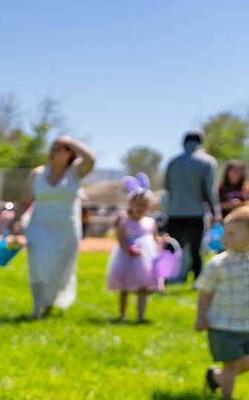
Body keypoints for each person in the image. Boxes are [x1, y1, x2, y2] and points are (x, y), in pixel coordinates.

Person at [11, 135, 95, 318]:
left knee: (60, 269)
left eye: (58, 150)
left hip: (67, 230)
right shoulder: (37, 173)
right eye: (52, 148)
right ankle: (37, 307)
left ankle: (49, 305)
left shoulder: (76, 171)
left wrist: (70, 141)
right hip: (39, 227)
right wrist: (15, 220)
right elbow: (25, 200)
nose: (52, 153)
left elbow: (91, 159)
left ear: (69, 154)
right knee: (39, 266)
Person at [196, 206, 249, 400]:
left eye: (232, 234)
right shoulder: (218, 264)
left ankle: (216, 378)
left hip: (247, 323)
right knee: (232, 364)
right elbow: (205, 291)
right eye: (225, 232)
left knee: (236, 364)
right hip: (223, 324)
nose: (224, 238)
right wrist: (201, 316)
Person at [106, 174, 165, 323]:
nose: (140, 208)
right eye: (137, 204)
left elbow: (154, 239)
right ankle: (122, 315)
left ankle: (140, 316)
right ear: (130, 204)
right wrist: (129, 249)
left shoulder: (150, 222)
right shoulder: (124, 221)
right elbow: (120, 240)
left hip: (145, 260)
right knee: (124, 288)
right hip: (127, 258)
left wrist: (162, 241)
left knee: (143, 288)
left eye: (144, 205)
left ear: (149, 206)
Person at [164, 130, 220, 284]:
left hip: (174, 212)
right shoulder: (207, 161)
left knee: (171, 247)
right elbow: (210, 190)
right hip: (196, 212)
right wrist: (216, 212)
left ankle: (164, 278)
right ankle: (198, 281)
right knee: (196, 249)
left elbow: (167, 187)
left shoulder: (173, 161)